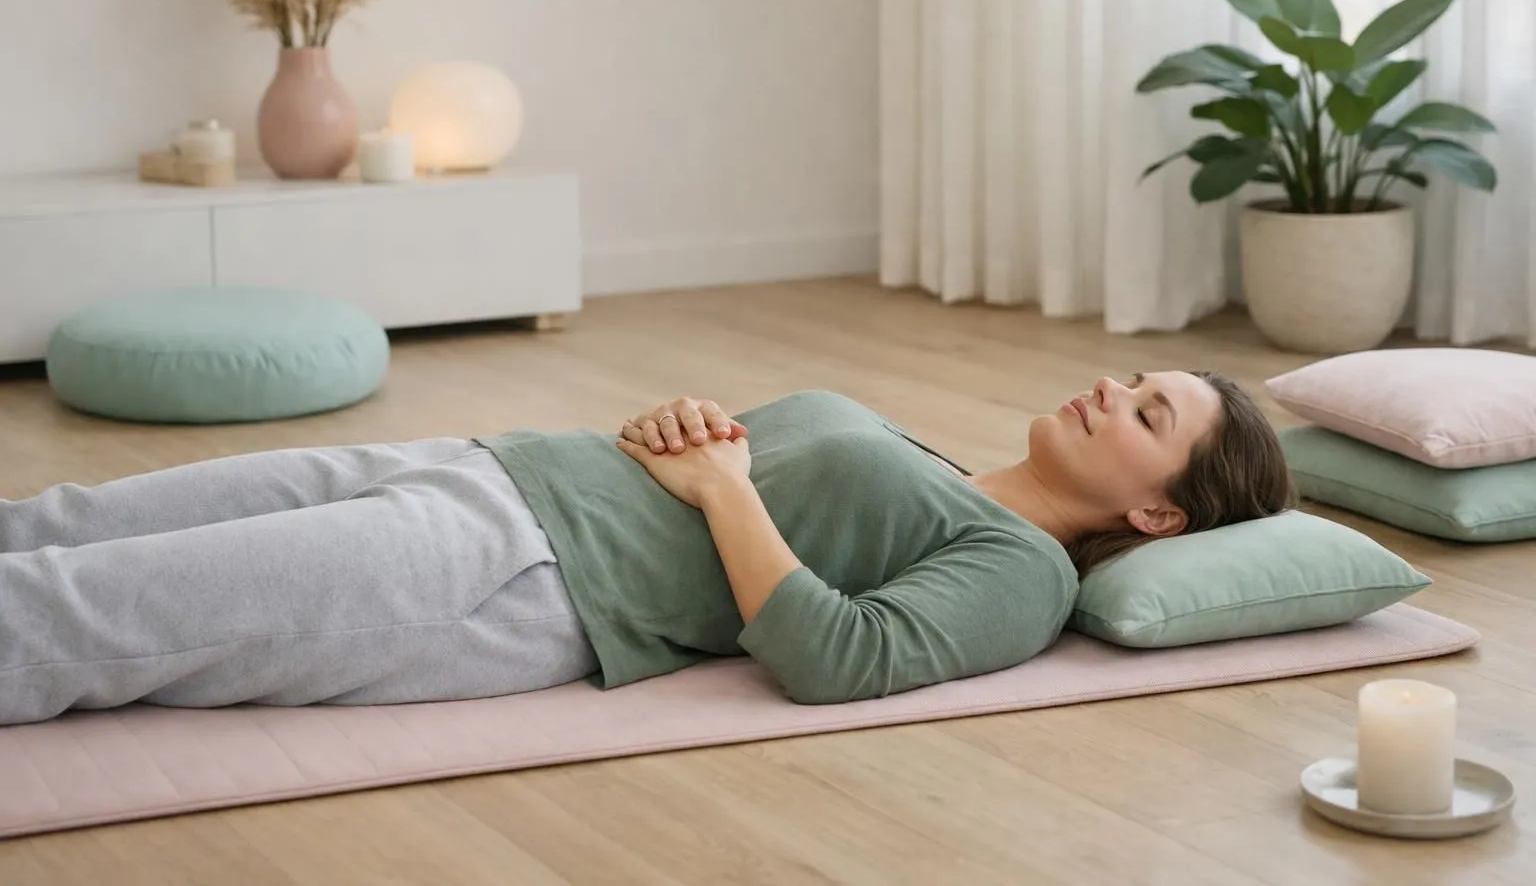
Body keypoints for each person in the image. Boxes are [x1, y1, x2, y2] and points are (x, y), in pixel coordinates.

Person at [0, 371, 1292, 725]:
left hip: (520, 579)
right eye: (1129, 377)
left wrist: (724, 487)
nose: (1108, 393)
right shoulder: (937, 463)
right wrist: (684, 429)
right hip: (489, 466)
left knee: (67, 613)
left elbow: (837, 660)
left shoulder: (1025, 573)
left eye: (1147, 413)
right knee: (56, 524)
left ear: (1160, 516)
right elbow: (719, 457)